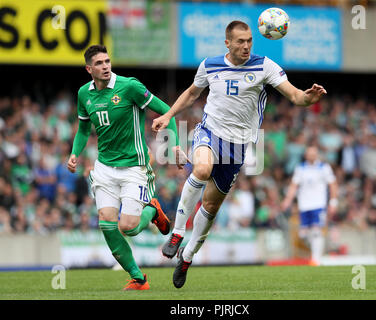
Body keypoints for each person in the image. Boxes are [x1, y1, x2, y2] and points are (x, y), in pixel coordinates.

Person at [152, 21, 327, 288]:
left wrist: (308, 98)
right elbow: (191, 93)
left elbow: (294, 95)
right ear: (227, 43)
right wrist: (168, 115)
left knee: (210, 207)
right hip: (209, 133)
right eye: (240, 41)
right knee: (200, 170)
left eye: (249, 41)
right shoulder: (210, 65)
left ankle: (186, 258)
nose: (246, 46)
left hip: (238, 147)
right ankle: (177, 233)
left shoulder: (264, 66)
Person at [67, 44, 186, 290]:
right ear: (89, 69)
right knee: (106, 223)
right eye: (99, 63)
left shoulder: (130, 86)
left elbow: (167, 111)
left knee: (128, 227)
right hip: (104, 168)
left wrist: (174, 145)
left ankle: (152, 210)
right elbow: (83, 129)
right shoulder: (83, 94)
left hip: (134, 167)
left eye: (107, 61)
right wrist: (74, 154)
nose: (105, 66)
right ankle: (139, 278)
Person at [280, 146, 338, 266]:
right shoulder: (300, 168)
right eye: (309, 154)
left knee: (317, 230)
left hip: (318, 204)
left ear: (317, 155)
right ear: (306, 155)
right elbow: (294, 185)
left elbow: (332, 184)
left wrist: (333, 202)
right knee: (304, 234)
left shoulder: (324, 168)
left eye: (314, 154)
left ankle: (316, 259)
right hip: (304, 205)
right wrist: (287, 200)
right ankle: (315, 254)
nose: (311, 156)